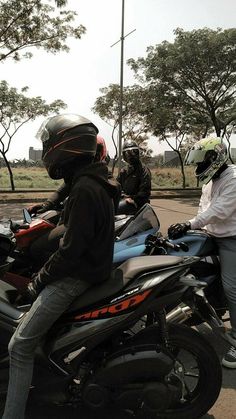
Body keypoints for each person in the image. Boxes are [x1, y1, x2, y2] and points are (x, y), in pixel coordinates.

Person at [2, 113, 119, 419]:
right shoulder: (93, 178)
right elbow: (64, 193)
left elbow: (69, 253)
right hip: (91, 267)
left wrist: (37, 282)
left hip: (76, 277)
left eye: (49, 145)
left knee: (20, 346)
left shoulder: (85, 189)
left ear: (65, 148)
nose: (46, 152)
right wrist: (46, 206)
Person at [167, 136, 236, 369]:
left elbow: (219, 211)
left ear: (216, 157)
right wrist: (192, 227)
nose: (198, 167)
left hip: (230, 238)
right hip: (210, 235)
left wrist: (189, 224)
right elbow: (203, 208)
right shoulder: (210, 180)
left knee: (231, 287)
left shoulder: (233, 178)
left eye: (202, 162)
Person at [28, 134, 121, 270]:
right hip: (72, 218)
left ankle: (45, 272)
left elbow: (74, 242)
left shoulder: (94, 182)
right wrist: (46, 205)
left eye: (94, 151)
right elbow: (61, 191)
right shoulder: (82, 176)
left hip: (81, 225)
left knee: (37, 247)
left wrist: (41, 279)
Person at [116, 139, 152, 215]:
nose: (131, 155)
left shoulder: (143, 170)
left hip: (140, 207)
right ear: (124, 155)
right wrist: (123, 197)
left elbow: (145, 191)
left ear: (137, 153)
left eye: (133, 152)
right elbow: (117, 187)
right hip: (125, 204)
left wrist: (134, 200)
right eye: (128, 153)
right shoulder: (124, 171)